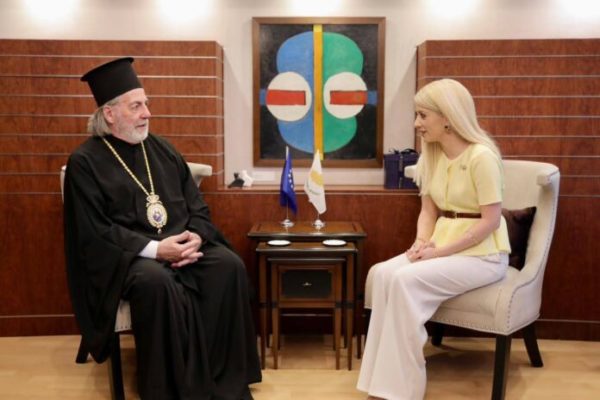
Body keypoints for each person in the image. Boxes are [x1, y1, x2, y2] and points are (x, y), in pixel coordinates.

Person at [63, 57, 261, 400]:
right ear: (109, 114)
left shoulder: (163, 149)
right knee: (157, 283)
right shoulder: (85, 162)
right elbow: (95, 232)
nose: (147, 113)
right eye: (136, 106)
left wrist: (196, 236)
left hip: (182, 246)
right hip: (131, 258)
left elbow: (196, 205)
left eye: (146, 104)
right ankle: (171, 390)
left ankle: (221, 380)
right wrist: (157, 250)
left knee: (228, 266)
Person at [357, 79, 511, 400]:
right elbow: (428, 210)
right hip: (441, 247)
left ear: (448, 118)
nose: (417, 123)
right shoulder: (431, 156)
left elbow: (491, 222)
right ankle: (379, 382)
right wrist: (421, 242)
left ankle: (404, 389)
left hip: (483, 256)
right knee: (383, 274)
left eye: (423, 115)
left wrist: (438, 253)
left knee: (404, 280)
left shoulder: (482, 157)